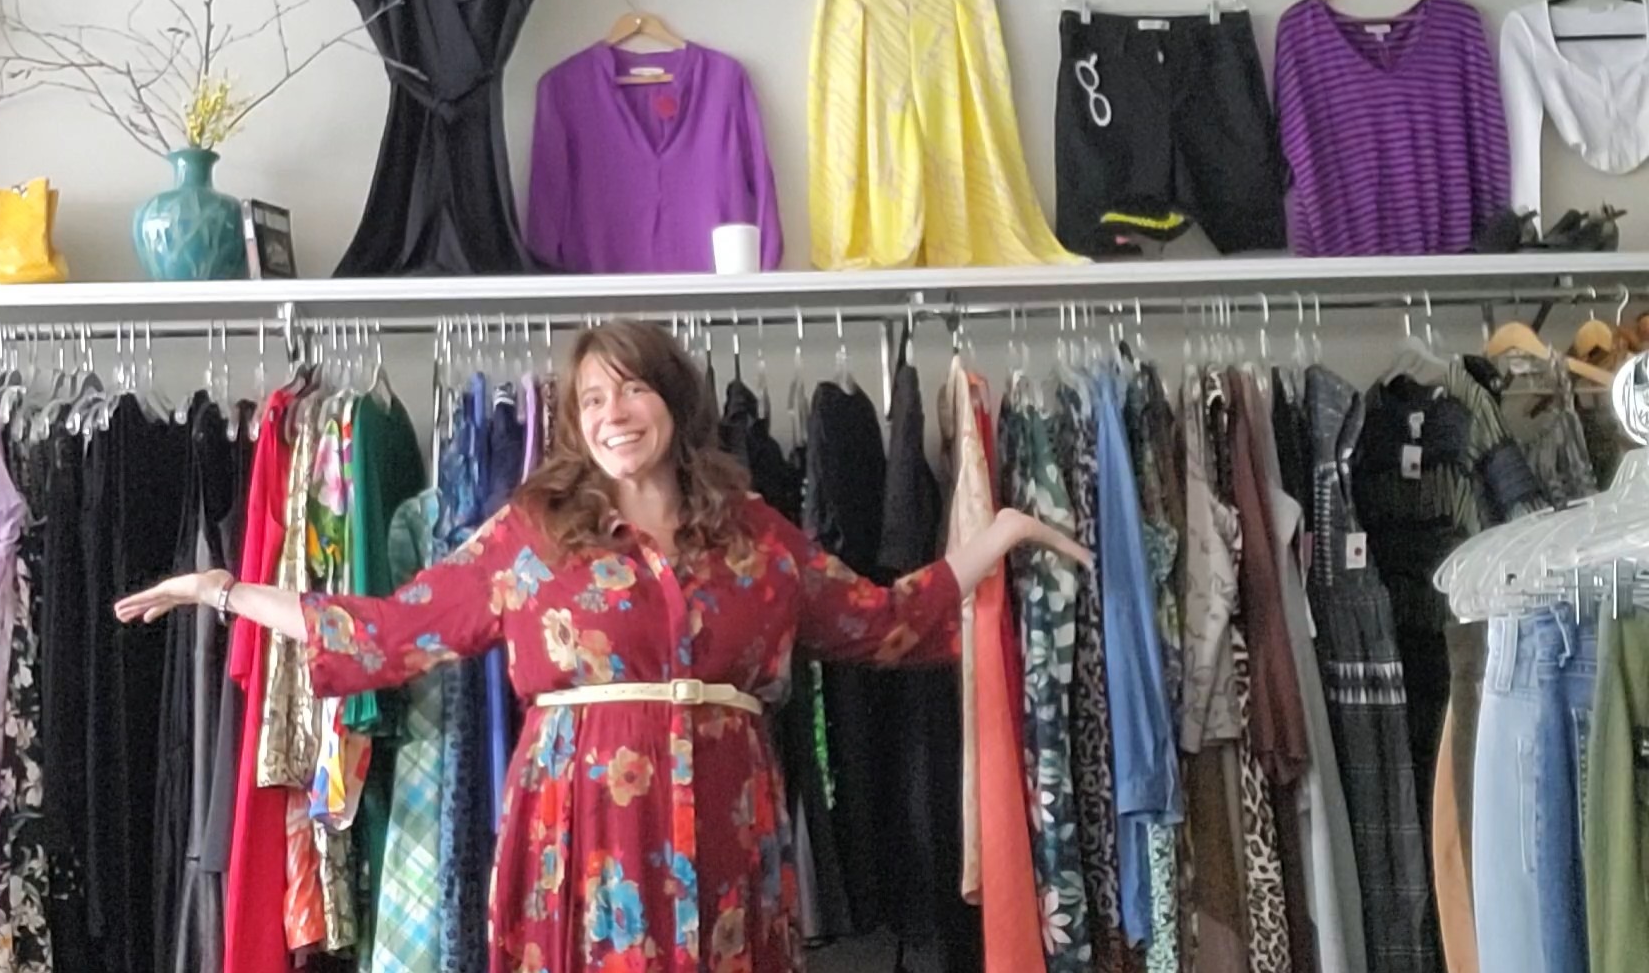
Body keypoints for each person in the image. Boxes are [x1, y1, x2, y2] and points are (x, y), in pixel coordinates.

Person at [117, 319, 1089, 973]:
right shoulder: (533, 535)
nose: (613, 415)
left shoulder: (754, 535)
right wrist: (224, 590)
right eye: (591, 401)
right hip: (578, 828)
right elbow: (389, 631)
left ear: (671, 400)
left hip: (728, 820)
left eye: (630, 392)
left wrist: (992, 538)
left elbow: (879, 621)